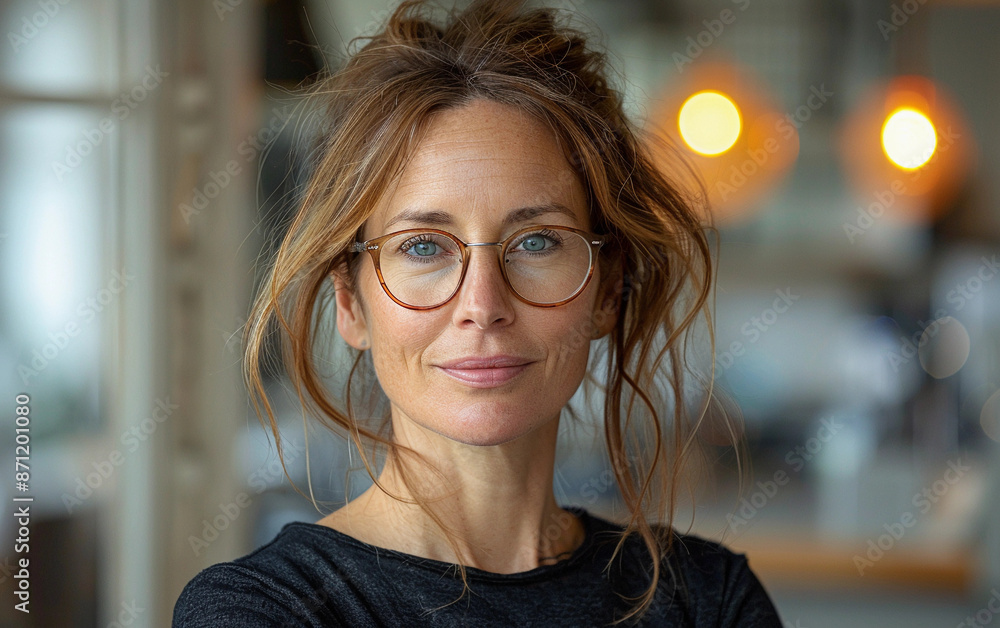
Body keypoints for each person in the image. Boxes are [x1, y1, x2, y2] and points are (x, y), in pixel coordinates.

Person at [173, 0, 784, 625]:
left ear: (608, 289)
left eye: (537, 242)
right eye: (423, 247)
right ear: (350, 302)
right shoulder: (262, 612)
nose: (483, 305)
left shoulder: (709, 601)